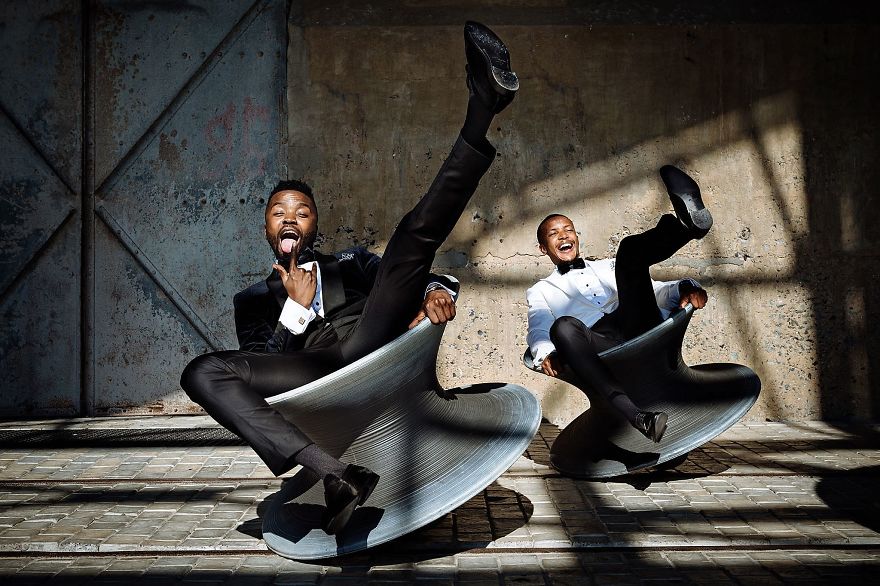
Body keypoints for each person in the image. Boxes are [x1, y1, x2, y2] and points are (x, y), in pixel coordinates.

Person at [180, 21, 518, 535]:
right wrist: (294, 313)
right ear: (267, 227)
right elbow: (262, 373)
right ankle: (335, 474)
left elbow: (410, 278)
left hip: (369, 339)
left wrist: (434, 291)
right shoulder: (251, 300)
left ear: (314, 225)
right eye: (279, 212)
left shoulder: (352, 263)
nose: (290, 218)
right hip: (315, 372)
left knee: (412, 236)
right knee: (201, 372)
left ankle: (483, 106)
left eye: (302, 212)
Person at [526, 166, 712, 443]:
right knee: (562, 326)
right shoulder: (541, 290)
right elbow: (538, 329)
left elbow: (655, 292)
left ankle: (688, 227)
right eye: (554, 233)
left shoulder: (609, 266)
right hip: (597, 344)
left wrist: (685, 287)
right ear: (544, 248)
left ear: (576, 237)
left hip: (636, 323)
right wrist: (546, 354)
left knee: (629, 250)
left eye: (569, 230)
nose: (564, 236)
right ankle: (638, 417)